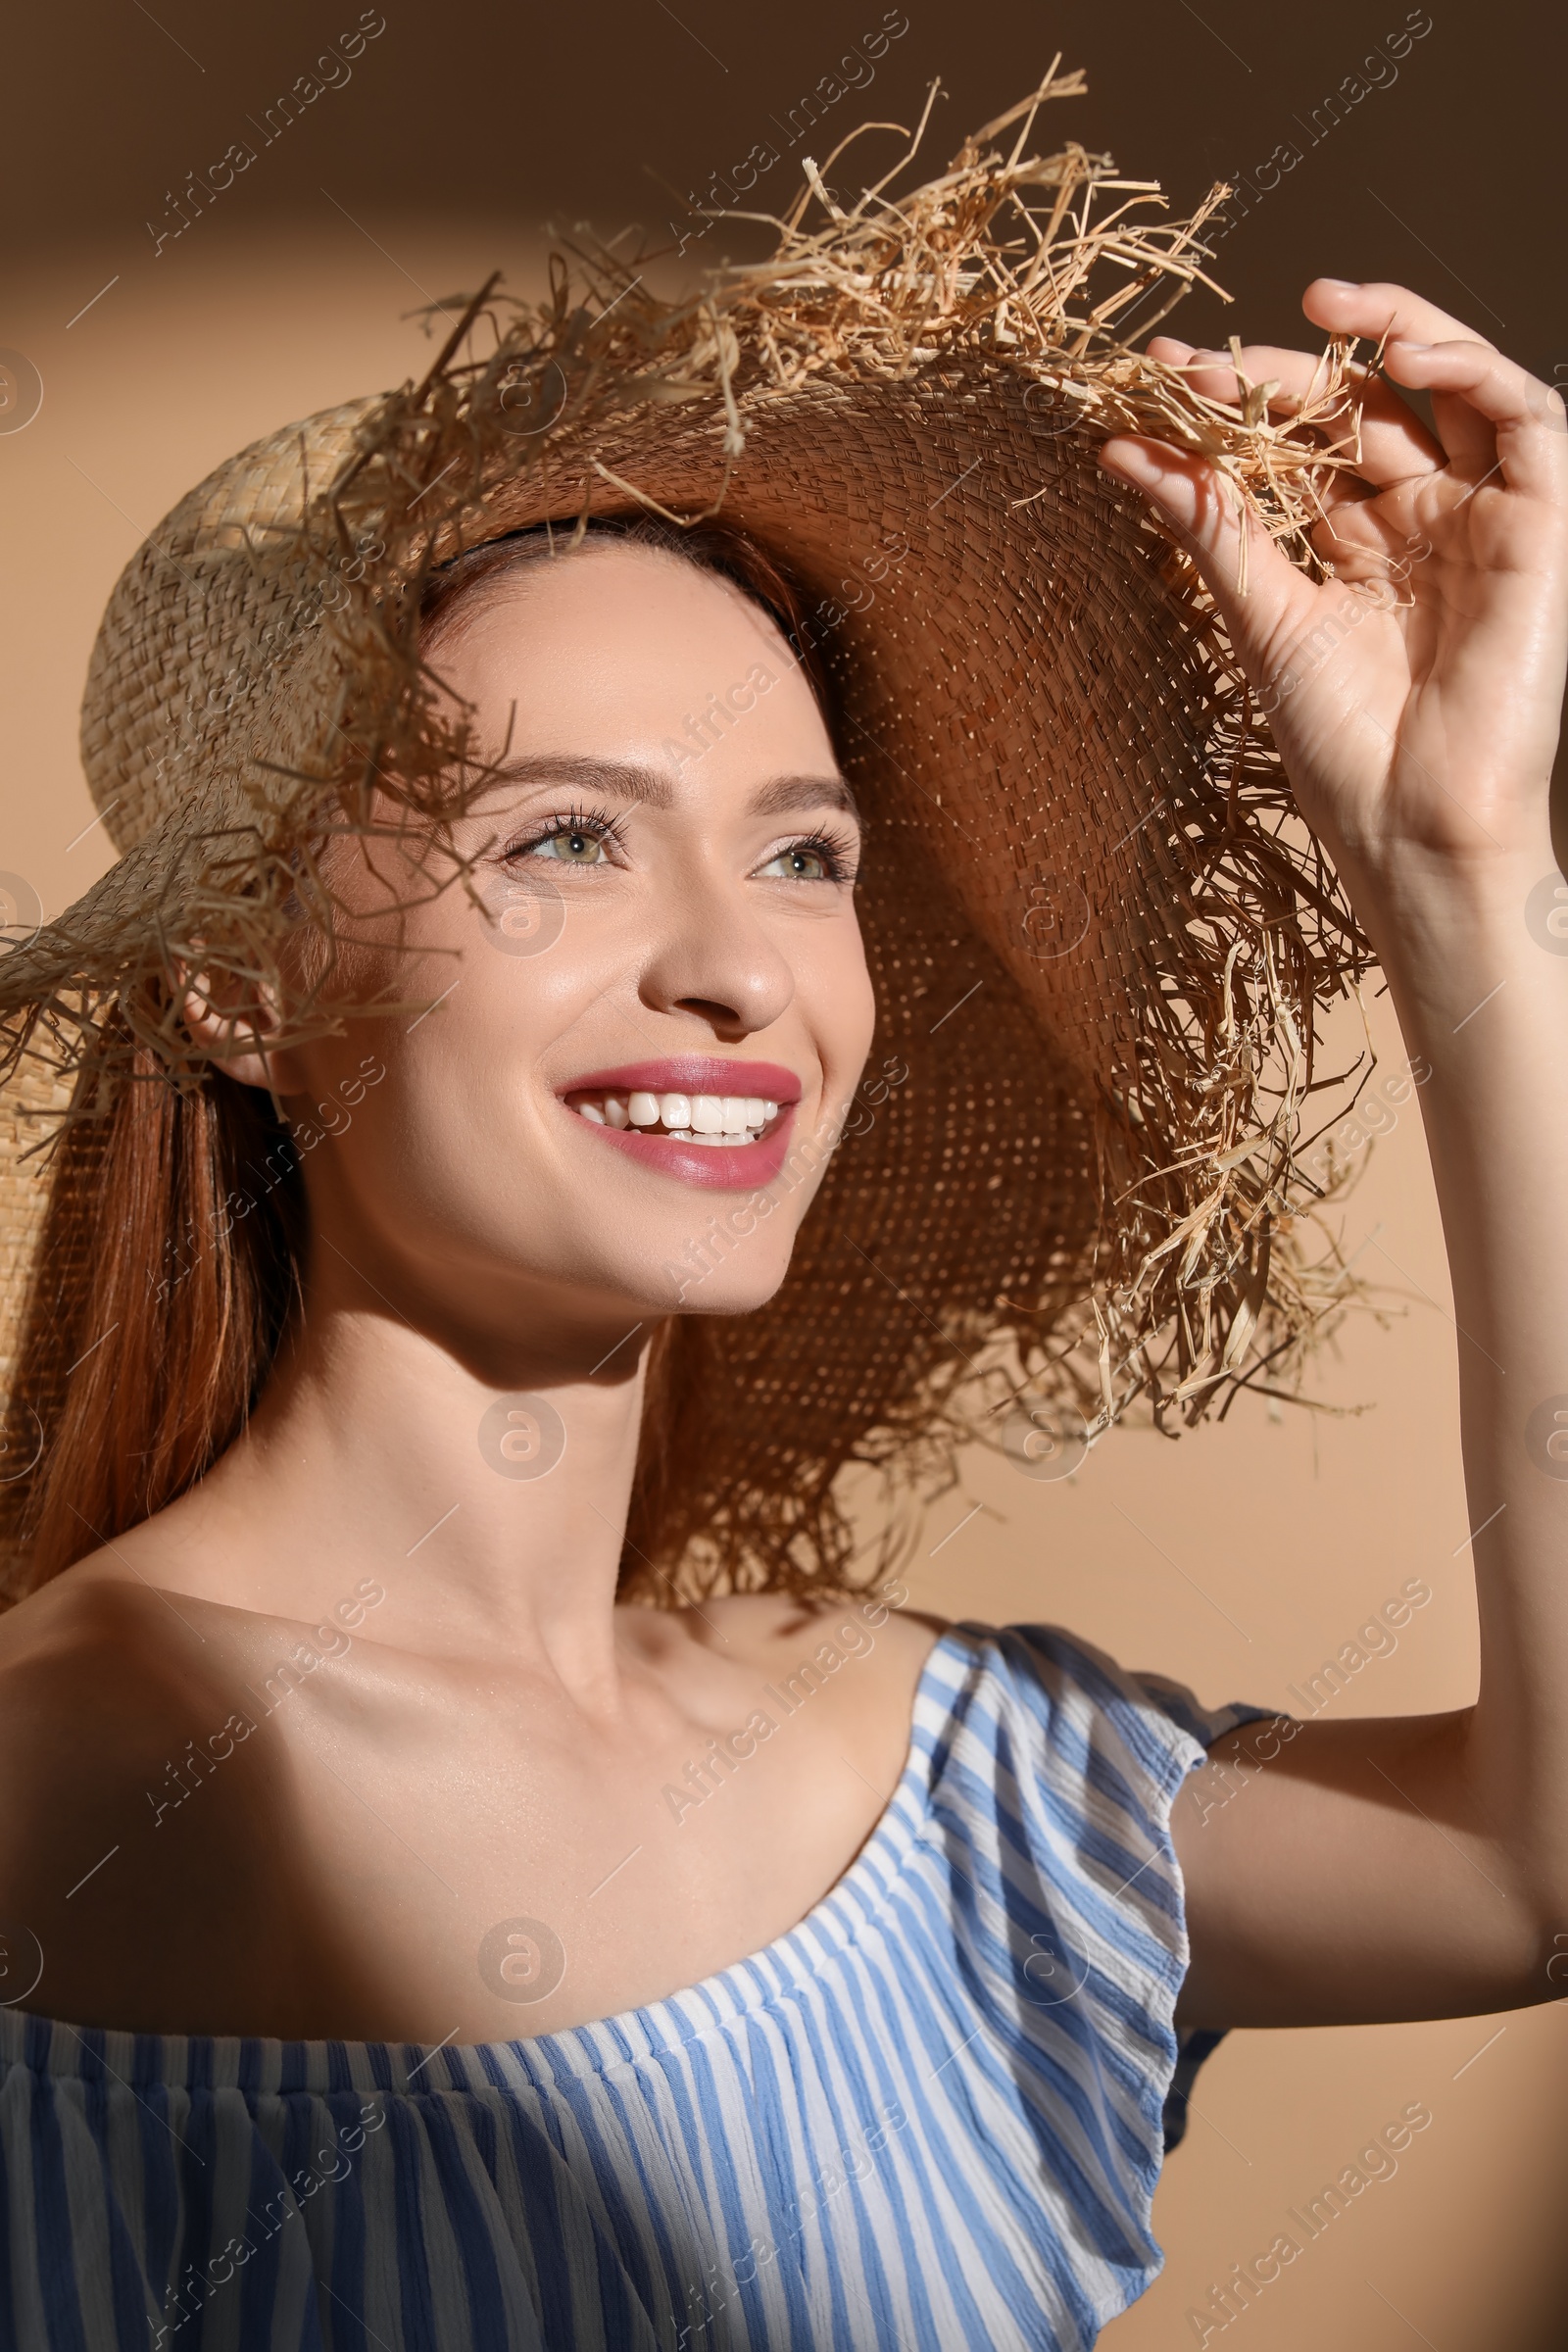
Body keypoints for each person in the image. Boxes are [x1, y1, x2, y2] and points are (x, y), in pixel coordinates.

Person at [0, 77, 1562, 2352]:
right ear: (237, 980)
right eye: (562, 836)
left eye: (803, 850)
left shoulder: (908, 1768)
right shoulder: (67, 1800)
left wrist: (1454, 871)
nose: (737, 967)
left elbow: (1525, 1873)